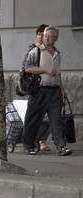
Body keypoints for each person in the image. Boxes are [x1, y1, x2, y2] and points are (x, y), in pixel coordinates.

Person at [22, 26, 72, 156]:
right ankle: (28, 146)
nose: (46, 38)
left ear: (55, 38)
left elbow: (58, 74)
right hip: (40, 90)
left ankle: (61, 147)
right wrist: (45, 69)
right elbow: (28, 69)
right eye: (45, 36)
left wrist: (62, 89)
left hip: (55, 91)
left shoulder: (57, 54)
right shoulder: (36, 51)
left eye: (49, 36)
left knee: (56, 120)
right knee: (33, 119)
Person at [21, 24, 51, 151]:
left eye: (42, 34)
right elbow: (25, 67)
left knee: (48, 116)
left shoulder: (50, 50)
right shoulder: (32, 49)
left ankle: (42, 139)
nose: (40, 37)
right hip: (35, 86)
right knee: (34, 115)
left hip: (48, 86)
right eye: (38, 34)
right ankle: (34, 141)